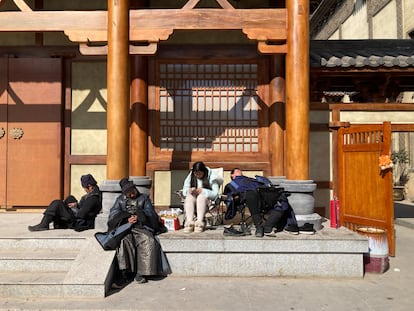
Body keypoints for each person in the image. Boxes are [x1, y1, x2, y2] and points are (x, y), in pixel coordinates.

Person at [107, 178, 170, 286]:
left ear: (135, 189)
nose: (131, 195)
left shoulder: (144, 199)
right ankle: (125, 273)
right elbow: (113, 214)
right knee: (124, 241)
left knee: (148, 240)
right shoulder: (120, 200)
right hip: (125, 228)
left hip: (141, 227)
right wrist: (126, 218)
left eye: (132, 192)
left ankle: (142, 272)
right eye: (128, 193)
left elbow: (151, 214)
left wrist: (139, 215)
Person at [223, 168, 299, 237]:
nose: (240, 171)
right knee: (251, 194)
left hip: (263, 193)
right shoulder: (232, 184)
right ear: (232, 175)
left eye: (240, 171)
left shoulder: (252, 180)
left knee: (281, 196)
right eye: (237, 171)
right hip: (250, 196)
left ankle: (269, 227)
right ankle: (259, 227)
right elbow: (229, 195)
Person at [28, 174, 102, 232]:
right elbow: (84, 206)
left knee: (57, 203)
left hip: (78, 218)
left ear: (89, 186)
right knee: (70, 198)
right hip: (80, 211)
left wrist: (71, 209)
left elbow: (81, 214)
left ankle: (44, 224)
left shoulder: (93, 198)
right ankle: (56, 216)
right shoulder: (94, 192)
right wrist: (76, 205)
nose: (84, 190)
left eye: (84, 188)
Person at [182, 161, 222, 233]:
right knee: (189, 197)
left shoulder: (212, 177)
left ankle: (199, 223)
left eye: (200, 174)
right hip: (193, 200)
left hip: (207, 202)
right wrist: (190, 190)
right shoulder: (191, 176)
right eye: (196, 174)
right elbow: (185, 189)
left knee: (201, 197)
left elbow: (215, 194)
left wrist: (203, 191)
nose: (198, 176)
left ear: (204, 172)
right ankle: (189, 222)